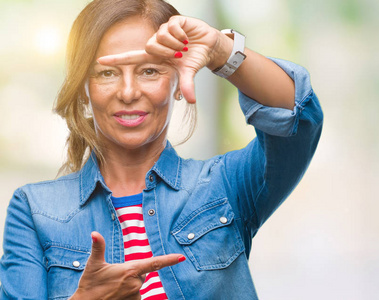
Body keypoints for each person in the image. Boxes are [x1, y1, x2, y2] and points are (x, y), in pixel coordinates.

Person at [0, 0, 323, 299]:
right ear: (85, 90)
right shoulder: (34, 210)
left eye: (149, 70)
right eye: (107, 73)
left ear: (177, 81)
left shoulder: (224, 186)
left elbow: (298, 116)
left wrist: (220, 50)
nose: (128, 92)